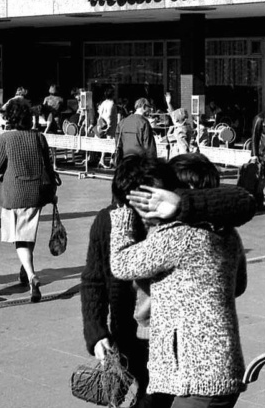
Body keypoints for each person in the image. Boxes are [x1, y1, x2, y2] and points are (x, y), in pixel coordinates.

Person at [82, 156, 255, 407]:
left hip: (180, 357)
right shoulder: (109, 221)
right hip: (137, 340)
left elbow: (121, 263)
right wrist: (95, 332)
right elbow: (93, 279)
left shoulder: (181, 230)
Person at [0, 97, 60, 303]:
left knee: (20, 238)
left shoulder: (5, 138)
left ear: (9, 118)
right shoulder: (39, 137)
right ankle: (25, 271)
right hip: (36, 192)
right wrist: (52, 191)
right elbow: (49, 168)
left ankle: (32, 275)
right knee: (28, 234)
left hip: (14, 193)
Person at [115, 98, 158, 166]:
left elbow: (118, 143)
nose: (150, 110)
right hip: (139, 163)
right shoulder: (144, 122)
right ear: (144, 106)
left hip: (125, 161)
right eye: (149, 107)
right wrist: (152, 164)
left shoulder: (122, 122)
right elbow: (149, 147)